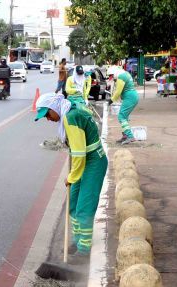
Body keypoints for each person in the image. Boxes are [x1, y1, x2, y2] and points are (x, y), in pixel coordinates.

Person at [34, 92, 108, 256]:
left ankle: (83, 250)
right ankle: (77, 240)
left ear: (54, 107)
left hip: (94, 162)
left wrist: (71, 177)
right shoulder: (68, 112)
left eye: (47, 114)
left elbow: (80, 153)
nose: (48, 118)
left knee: (84, 207)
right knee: (73, 203)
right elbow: (76, 151)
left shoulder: (71, 117)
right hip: (83, 162)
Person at [108, 65, 139, 145]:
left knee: (121, 116)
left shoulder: (121, 76)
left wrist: (111, 100)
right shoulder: (124, 74)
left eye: (111, 75)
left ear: (114, 72)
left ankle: (130, 136)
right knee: (125, 117)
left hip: (130, 97)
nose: (111, 77)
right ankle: (125, 135)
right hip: (132, 96)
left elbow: (118, 91)